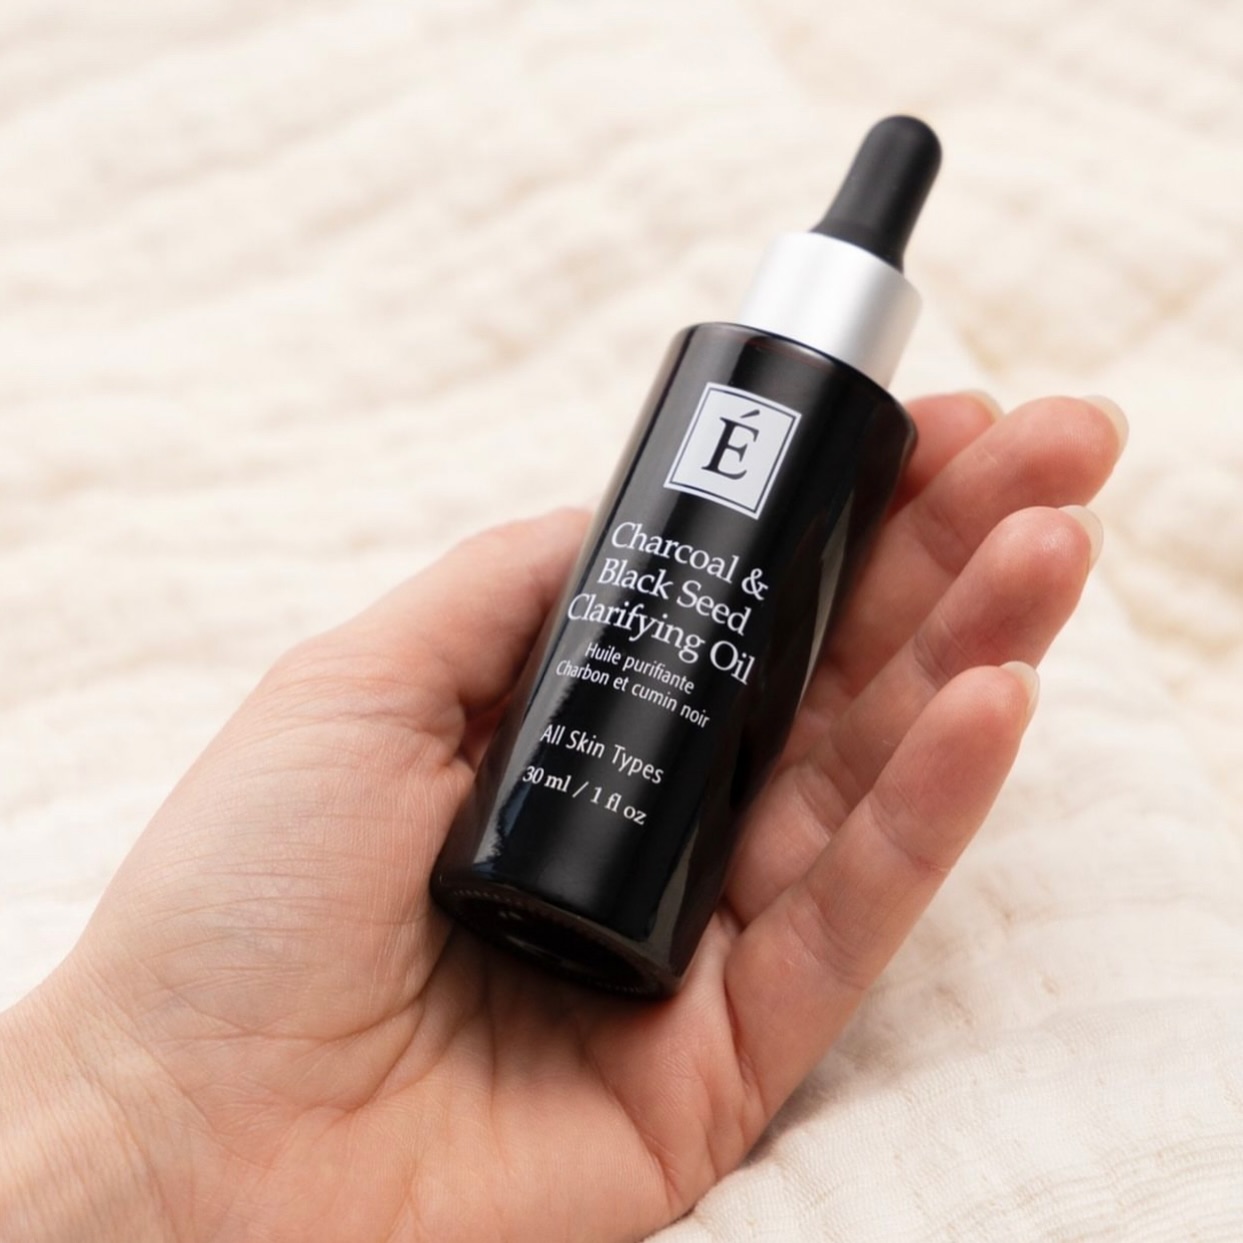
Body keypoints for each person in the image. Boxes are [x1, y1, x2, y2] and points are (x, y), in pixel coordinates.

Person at [0, 391, 1125, 1242]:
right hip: (483, 912)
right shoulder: (708, 385)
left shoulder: (841, 429)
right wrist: (138, 1103)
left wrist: (128, 1129)